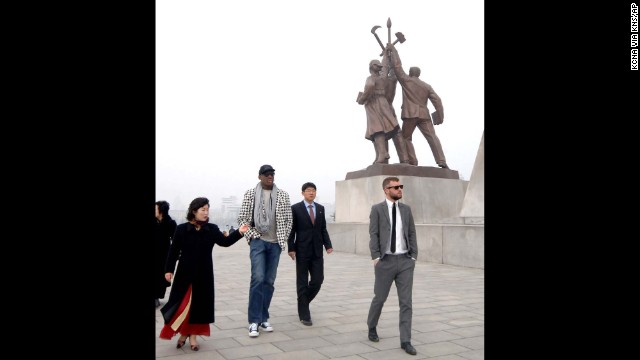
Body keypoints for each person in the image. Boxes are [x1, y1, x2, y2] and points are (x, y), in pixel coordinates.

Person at [159, 197, 249, 351]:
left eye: (207, 209)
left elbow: (225, 242)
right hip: (184, 275)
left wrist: (239, 233)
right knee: (182, 305)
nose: (206, 213)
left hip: (204, 274)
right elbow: (173, 252)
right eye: (203, 210)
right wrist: (169, 270)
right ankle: (183, 333)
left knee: (199, 306)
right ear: (194, 211)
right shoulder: (181, 229)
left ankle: (192, 336)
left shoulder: (212, 229)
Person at [237, 164, 293, 337]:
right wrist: (253, 236)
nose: (270, 177)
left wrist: (283, 238)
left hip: (275, 243)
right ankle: (254, 321)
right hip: (258, 242)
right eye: (267, 174)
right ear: (259, 176)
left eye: (272, 174)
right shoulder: (250, 194)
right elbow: (242, 219)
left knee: (269, 281)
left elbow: (288, 219)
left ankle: (263, 317)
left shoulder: (283, 195)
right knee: (258, 278)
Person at [367, 176, 418, 355]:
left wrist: (413, 256)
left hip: (405, 261)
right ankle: (371, 326)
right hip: (385, 261)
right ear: (386, 190)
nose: (399, 190)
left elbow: (411, 232)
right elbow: (373, 234)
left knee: (406, 302)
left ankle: (406, 340)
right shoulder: (377, 209)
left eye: (400, 186)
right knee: (380, 298)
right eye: (395, 187)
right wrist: (376, 257)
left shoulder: (406, 209)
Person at [387, 42, 448, 168]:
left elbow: (397, 67)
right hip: (424, 114)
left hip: (411, 114)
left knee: (405, 138)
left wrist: (394, 51)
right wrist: (439, 115)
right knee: (432, 137)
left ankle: (412, 161)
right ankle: (441, 160)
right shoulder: (426, 86)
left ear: (410, 73)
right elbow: (437, 100)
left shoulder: (406, 80)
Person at [287, 182, 333, 326]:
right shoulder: (295, 208)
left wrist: (328, 245)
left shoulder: (320, 209)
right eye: (308, 191)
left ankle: (303, 301)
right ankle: (304, 314)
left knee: (318, 280)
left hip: (317, 250)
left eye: (313, 191)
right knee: (302, 281)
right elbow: (291, 230)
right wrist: (291, 248)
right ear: (303, 193)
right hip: (301, 250)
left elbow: (323, 228)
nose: (311, 193)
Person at [357, 47, 410, 165]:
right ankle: (383, 155)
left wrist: (362, 99)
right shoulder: (383, 77)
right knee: (388, 129)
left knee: (377, 129)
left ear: (371, 67)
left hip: (374, 103)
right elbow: (385, 67)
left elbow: (370, 87)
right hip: (384, 104)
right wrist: (386, 55)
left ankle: (382, 154)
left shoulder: (371, 78)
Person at [155, 200, 177, 308]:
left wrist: (176, 254)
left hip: (164, 255)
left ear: (161, 210)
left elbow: (176, 240)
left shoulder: (170, 223)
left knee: (161, 276)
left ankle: (156, 297)